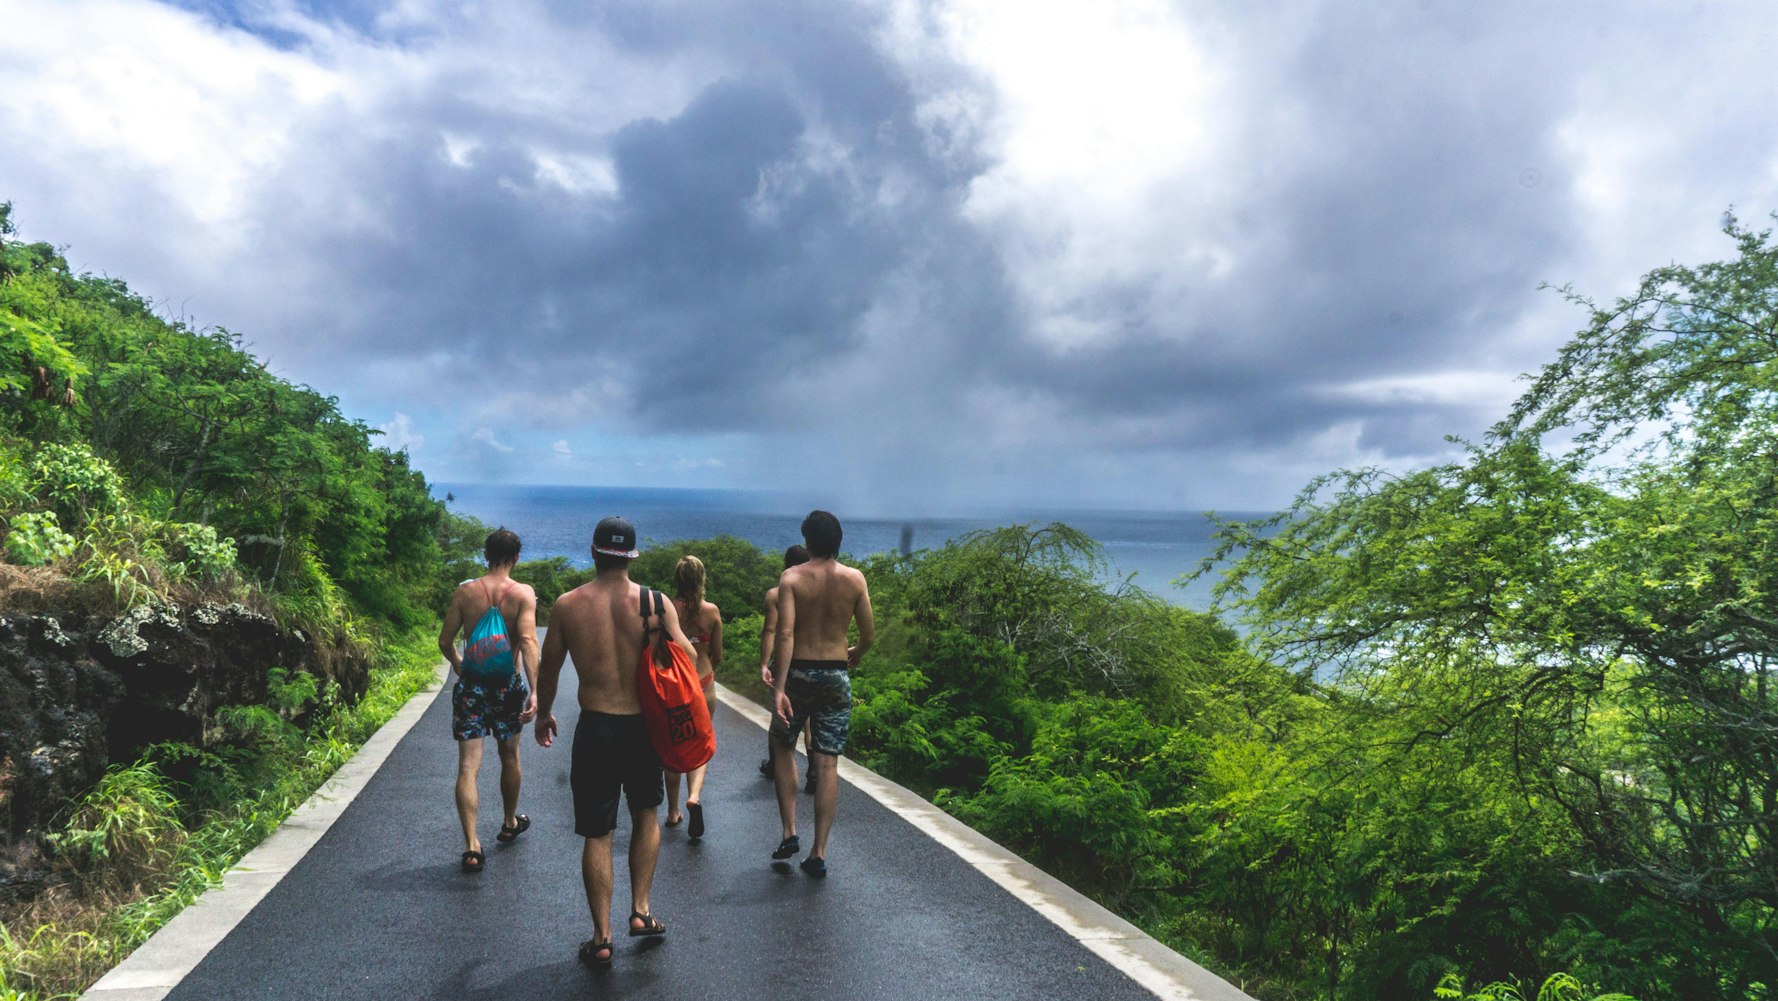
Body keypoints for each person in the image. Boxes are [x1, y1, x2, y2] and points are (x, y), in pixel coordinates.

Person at [534, 516, 695, 968]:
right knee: (647, 813)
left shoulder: (568, 605)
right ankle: (641, 911)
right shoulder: (656, 603)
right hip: (644, 728)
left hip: (596, 727)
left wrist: (544, 714)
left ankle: (602, 936)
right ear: (632, 556)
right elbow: (690, 657)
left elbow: (549, 670)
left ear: (593, 552)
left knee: (597, 832)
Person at [768, 511, 874, 877]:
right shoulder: (855, 579)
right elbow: (869, 635)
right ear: (838, 541)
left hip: (799, 671)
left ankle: (789, 831)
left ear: (808, 541)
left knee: (782, 745)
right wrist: (855, 655)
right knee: (827, 762)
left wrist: (780, 688)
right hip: (836, 674)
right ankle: (819, 852)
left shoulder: (792, 577)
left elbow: (785, 635)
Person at [438, 528, 539, 873]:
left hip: (471, 688)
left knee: (468, 765)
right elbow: (527, 641)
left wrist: (459, 665)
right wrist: (537, 690)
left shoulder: (466, 592)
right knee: (510, 755)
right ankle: (509, 821)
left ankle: (471, 846)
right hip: (506, 688)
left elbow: (445, 640)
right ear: (516, 558)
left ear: (486, 554)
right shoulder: (523, 594)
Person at [663, 554, 722, 839]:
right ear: (701, 580)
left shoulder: (667, 610)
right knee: (700, 744)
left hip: (676, 687)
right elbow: (718, 655)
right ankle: (694, 795)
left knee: (674, 746)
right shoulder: (711, 612)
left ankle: (673, 810)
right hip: (705, 684)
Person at [757, 545, 813, 790]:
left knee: (777, 718)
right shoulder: (814, 592)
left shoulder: (775, 594)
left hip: (783, 662)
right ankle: (813, 773)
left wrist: (763, 664)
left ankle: (773, 763)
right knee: (809, 720)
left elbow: (770, 631)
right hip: (809, 660)